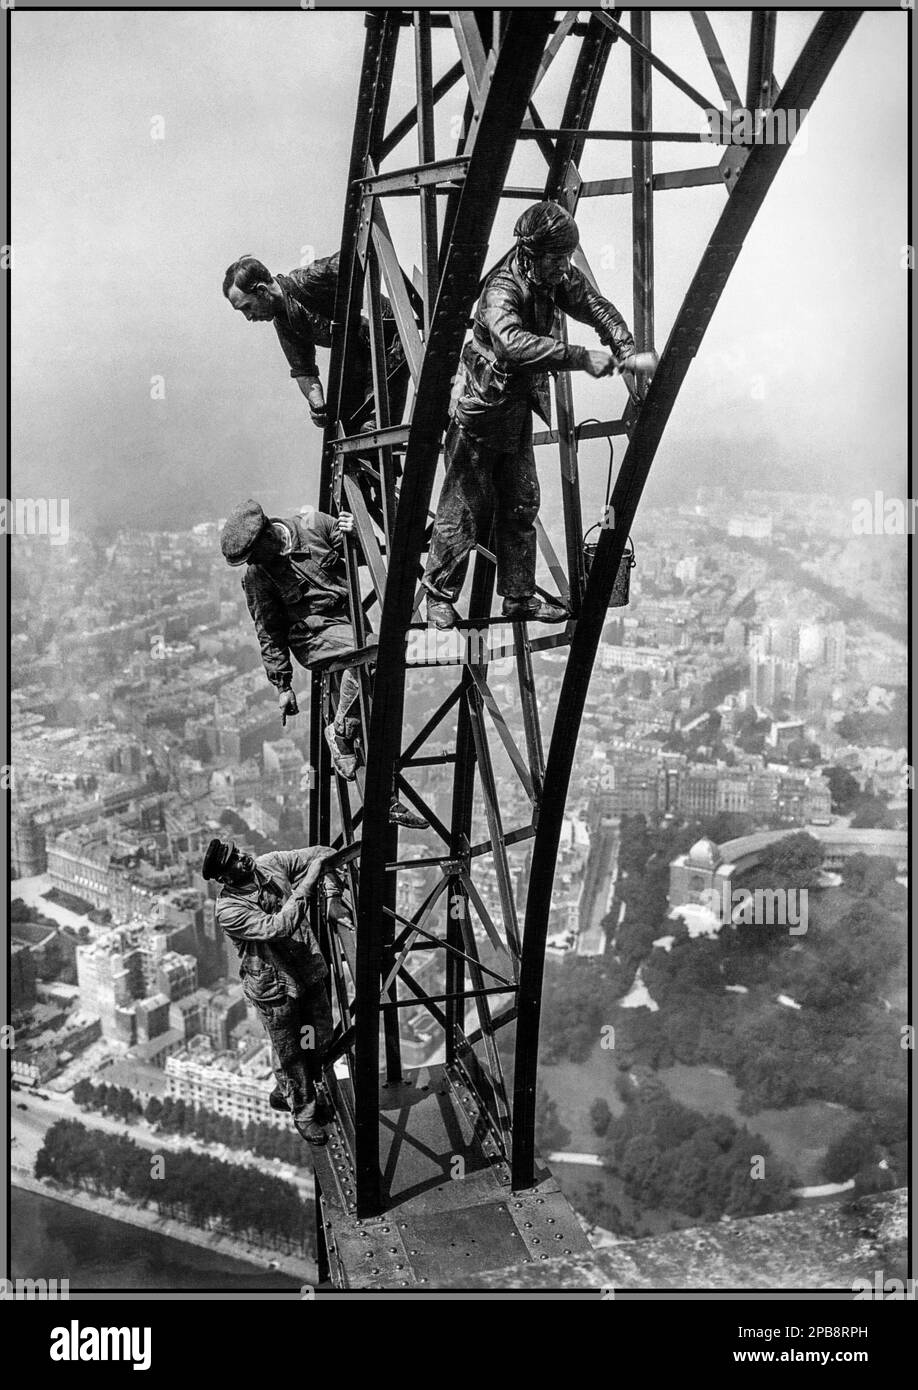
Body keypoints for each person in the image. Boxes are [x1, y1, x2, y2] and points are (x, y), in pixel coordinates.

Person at [423, 200, 650, 630]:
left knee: (521, 501)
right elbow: (512, 345)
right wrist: (579, 356)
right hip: (480, 412)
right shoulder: (502, 289)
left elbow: (593, 305)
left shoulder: (551, 274)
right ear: (532, 253)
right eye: (558, 258)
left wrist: (625, 348)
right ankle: (438, 595)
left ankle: (519, 597)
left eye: (567, 257)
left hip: (513, 409)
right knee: (462, 507)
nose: (566, 267)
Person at [221, 496, 427, 829]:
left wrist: (357, 534)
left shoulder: (315, 525)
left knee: (374, 689)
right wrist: (282, 685)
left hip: (351, 626)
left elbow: (365, 556)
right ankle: (343, 733)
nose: (252, 563)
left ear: (267, 535)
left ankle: (379, 788)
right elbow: (269, 631)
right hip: (313, 638)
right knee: (375, 657)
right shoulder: (258, 577)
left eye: (252, 555)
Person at [203, 837, 348, 1146]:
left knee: (319, 1036)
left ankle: (288, 1089)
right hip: (274, 988)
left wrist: (333, 894)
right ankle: (304, 1114)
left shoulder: (271, 864)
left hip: (307, 970)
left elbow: (325, 855)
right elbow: (278, 926)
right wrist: (310, 879)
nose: (244, 858)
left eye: (239, 852)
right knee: (291, 1052)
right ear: (224, 878)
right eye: (235, 861)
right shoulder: (229, 909)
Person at [222, 252, 405, 430]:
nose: (248, 317)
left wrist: (366, 307)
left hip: (390, 339)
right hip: (360, 358)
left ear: (261, 290)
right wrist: (318, 407)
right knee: (352, 432)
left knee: (374, 425)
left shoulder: (308, 279)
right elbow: (304, 371)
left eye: (247, 307)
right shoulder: (285, 323)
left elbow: (361, 256)